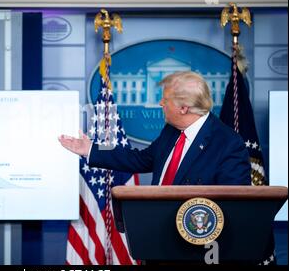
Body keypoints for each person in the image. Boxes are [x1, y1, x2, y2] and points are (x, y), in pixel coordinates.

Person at [59, 70, 251, 186]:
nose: (160, 103)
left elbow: (231, 203)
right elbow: (140, 159)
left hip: (197, 242)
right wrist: (91, 149)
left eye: (165, 100)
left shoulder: (228, 144)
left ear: (184, 108)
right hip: (159, 231)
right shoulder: (171, 130)